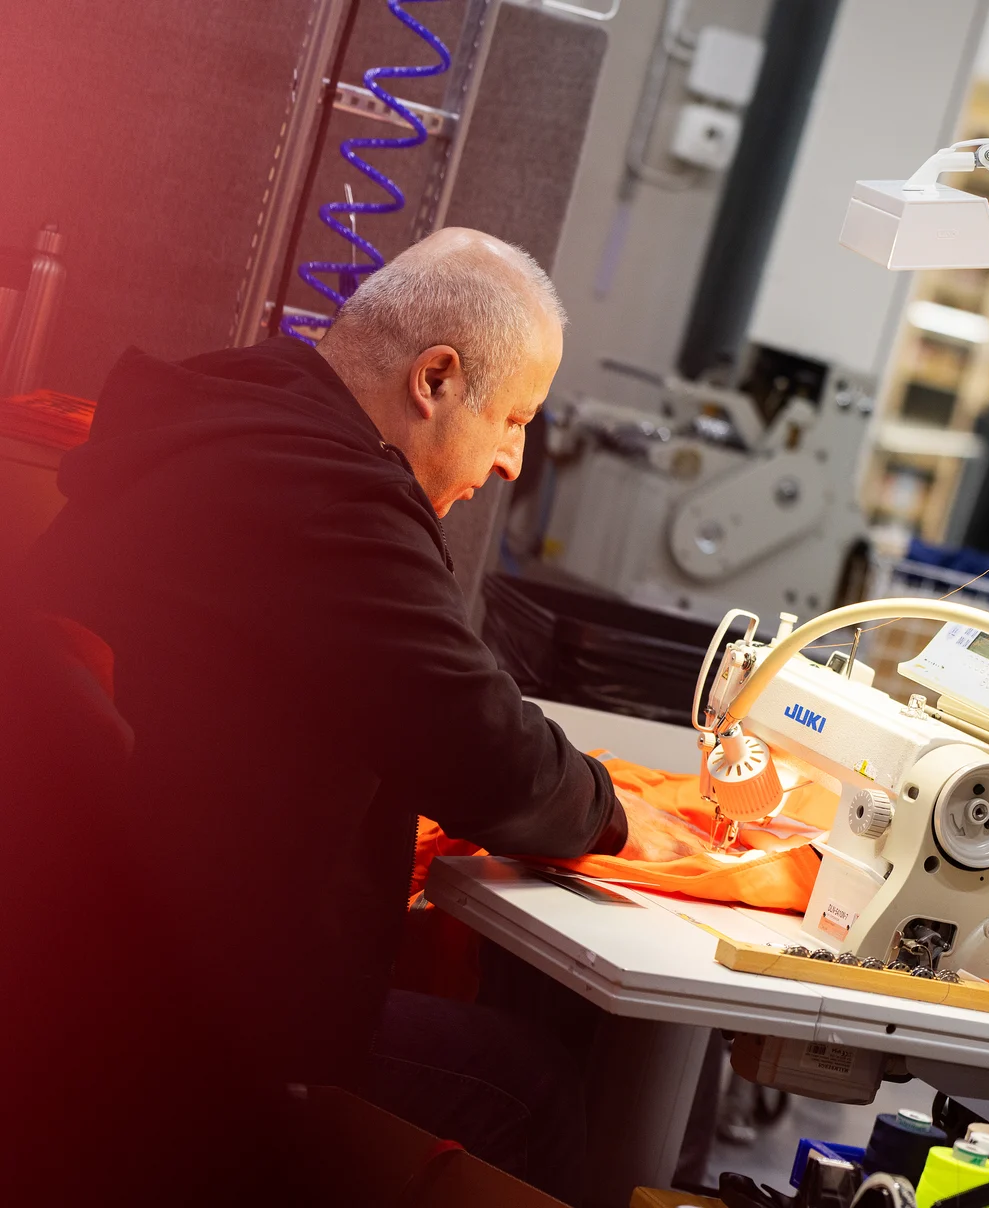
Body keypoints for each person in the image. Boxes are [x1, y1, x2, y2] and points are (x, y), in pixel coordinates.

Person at [20, 228, 695, 1197]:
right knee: (534, 1087)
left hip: (81, 936)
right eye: (512, 419)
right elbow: (489, 755)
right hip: (175, 1004)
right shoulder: (329, 499)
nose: (512, 460)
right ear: (435, 379)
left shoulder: (231, 413)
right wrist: (617, 814)